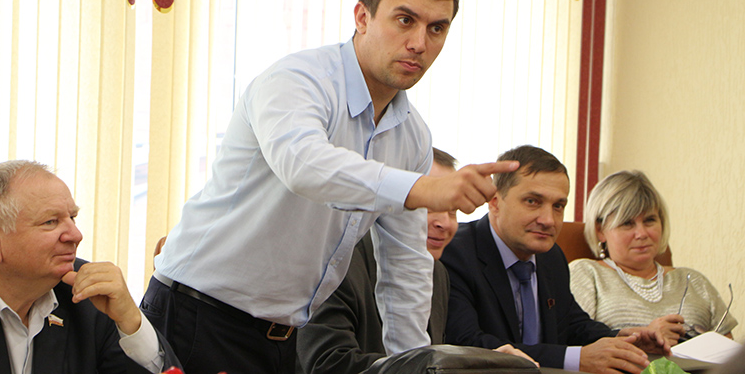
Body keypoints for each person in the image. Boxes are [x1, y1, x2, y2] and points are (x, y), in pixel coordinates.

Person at [141, 0, 519, 374]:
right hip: (198, 315)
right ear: (362, 17)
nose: (419, 43)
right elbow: (306, 165)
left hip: (286, 338)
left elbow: (406, 265)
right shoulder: (297, 80)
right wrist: (423, 189)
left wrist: (413, 363)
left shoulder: (413, 135)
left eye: (437, 28)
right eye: (405, 20)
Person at [296, 149, 535, 374]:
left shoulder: (438, 272)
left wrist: (484, 361)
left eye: (452, 211)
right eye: (429, 206)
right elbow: (327, 363)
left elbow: (426, 354)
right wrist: (435, 365)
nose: (445, 223)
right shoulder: (339, 261)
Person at [441, 145, 672, 373]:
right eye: (532, 201)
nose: (549, 220)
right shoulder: (455, 253)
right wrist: (576, 359)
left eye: (558, 206)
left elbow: (572, 325)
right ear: (494, 202)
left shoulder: (551, 256)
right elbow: (468, 345)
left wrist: (624, 340)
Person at [0, 160, 180, 374]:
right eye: (51, 221)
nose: (76, 235)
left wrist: (130, 320)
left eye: (72, 218)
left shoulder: (86, 294)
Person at [570, 170, 737, 342]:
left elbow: (728, 350)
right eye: (627, 223)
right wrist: (644, 337)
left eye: (649, 220)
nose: (642, 233)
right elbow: (574, 342)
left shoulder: (694, 280)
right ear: (600, 230)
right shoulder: (586, 273)